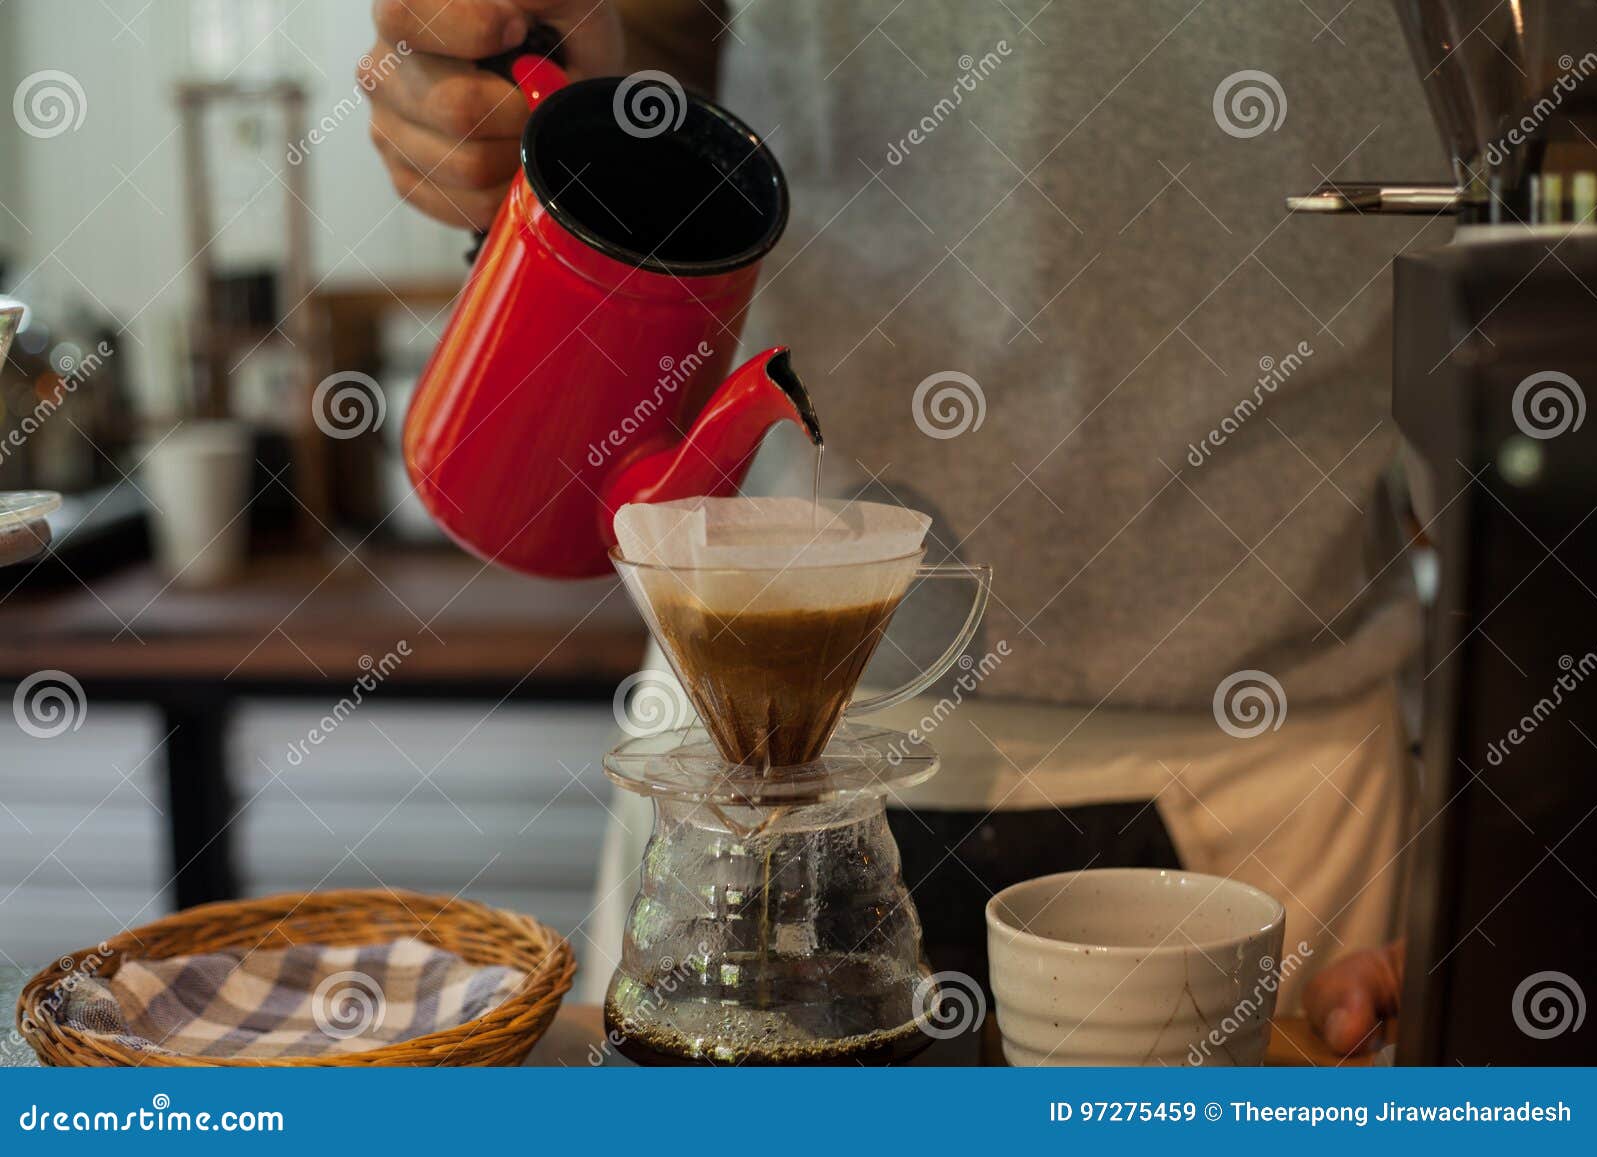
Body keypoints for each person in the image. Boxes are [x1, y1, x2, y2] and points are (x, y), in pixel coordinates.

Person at [364, 0, 1445, 1054]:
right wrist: (533, 95)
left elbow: (1527, 191)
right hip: (739, 750)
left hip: (1269, 776)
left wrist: (1524, 862)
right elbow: (641, 59)